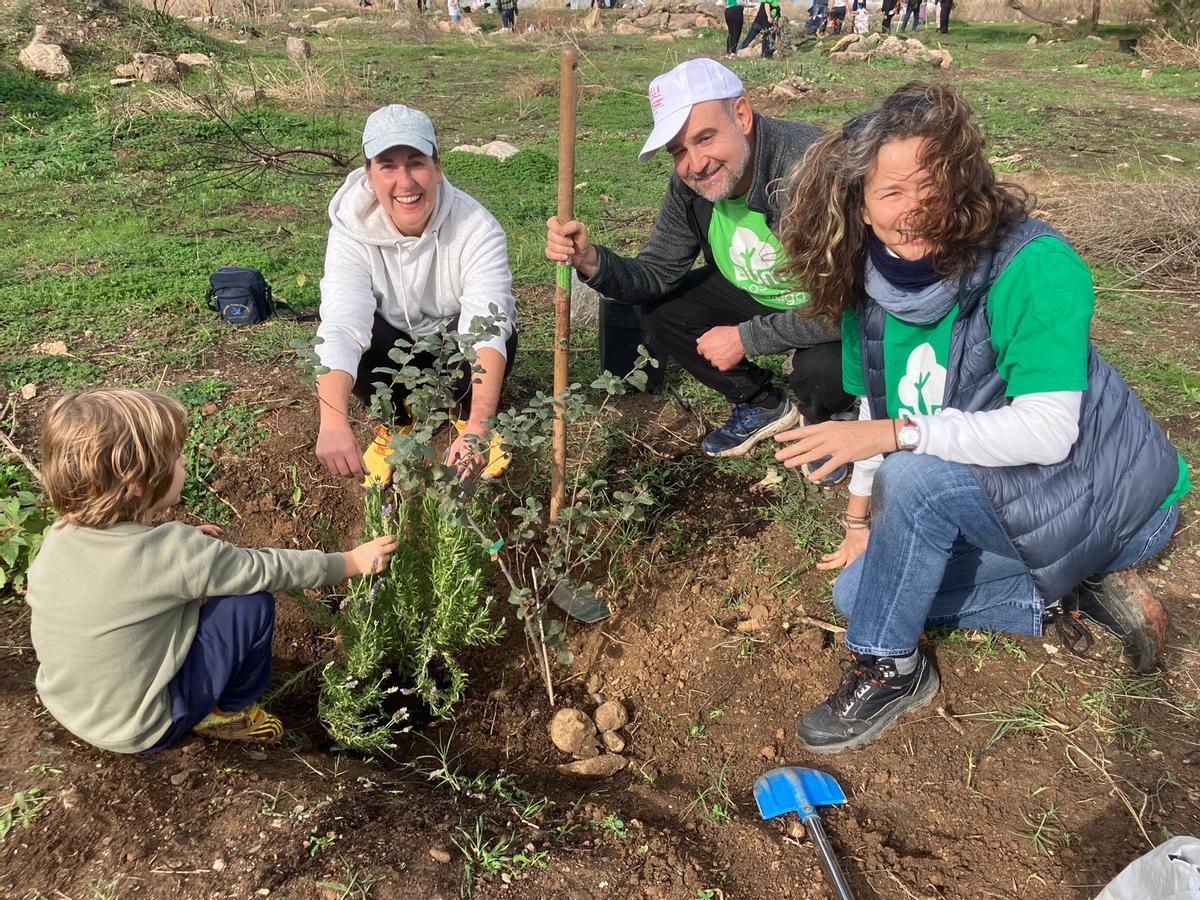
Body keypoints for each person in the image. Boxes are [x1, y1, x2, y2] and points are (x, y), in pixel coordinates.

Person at [773, 82, 1190, 754]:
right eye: (891, 193)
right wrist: (857, 520)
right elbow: (876, 407)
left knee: (913, 486)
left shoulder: (1032, 265)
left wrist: (897, 438)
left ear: (962, 184)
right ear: (856, 206)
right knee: (859, 592)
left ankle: (892, 668)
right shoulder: (868, 284)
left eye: (930, 186)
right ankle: (1071, 595)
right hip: (1012, 496)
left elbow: (1048, 429)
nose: (915, 211)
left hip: (1111, 501)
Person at [26, 389, 399, 754]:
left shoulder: (60, 538)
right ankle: (227, 713)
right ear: (138, 486)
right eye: (175, 457)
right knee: (250, 603)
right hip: (144, 725)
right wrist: (347, 563)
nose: (184, 462)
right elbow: (265, 569)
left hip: (71, 706)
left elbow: (126, 573)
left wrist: (186, 554)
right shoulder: (174, 553)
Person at [545, 59, 854, 472]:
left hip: (836, 306)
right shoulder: (692, 185)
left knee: (822, 371)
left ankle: (836, 420)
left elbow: (847, 308)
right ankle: (762, 404)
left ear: (741, 115)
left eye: (705, 137)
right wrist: (591, 260)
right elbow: (656, 274)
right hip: (762, 288)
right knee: (663, 312)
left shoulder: (806, 174)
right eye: (678, 151)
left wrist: (746, 338)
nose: (695, 162)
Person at [315, 105, 517, 481]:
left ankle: (465, 418)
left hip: (452, 345)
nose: (405, 182)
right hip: (393, 345)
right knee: (360, 331)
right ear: (369, 175)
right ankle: (396, 422)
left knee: (494, 327)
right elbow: (342, 324)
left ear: (438, 168)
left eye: (416, 163)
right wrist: (332, 420)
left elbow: (486, 330)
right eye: (388, 165)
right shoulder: (349, 230)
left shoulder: (478, 228)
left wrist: (480, 427)